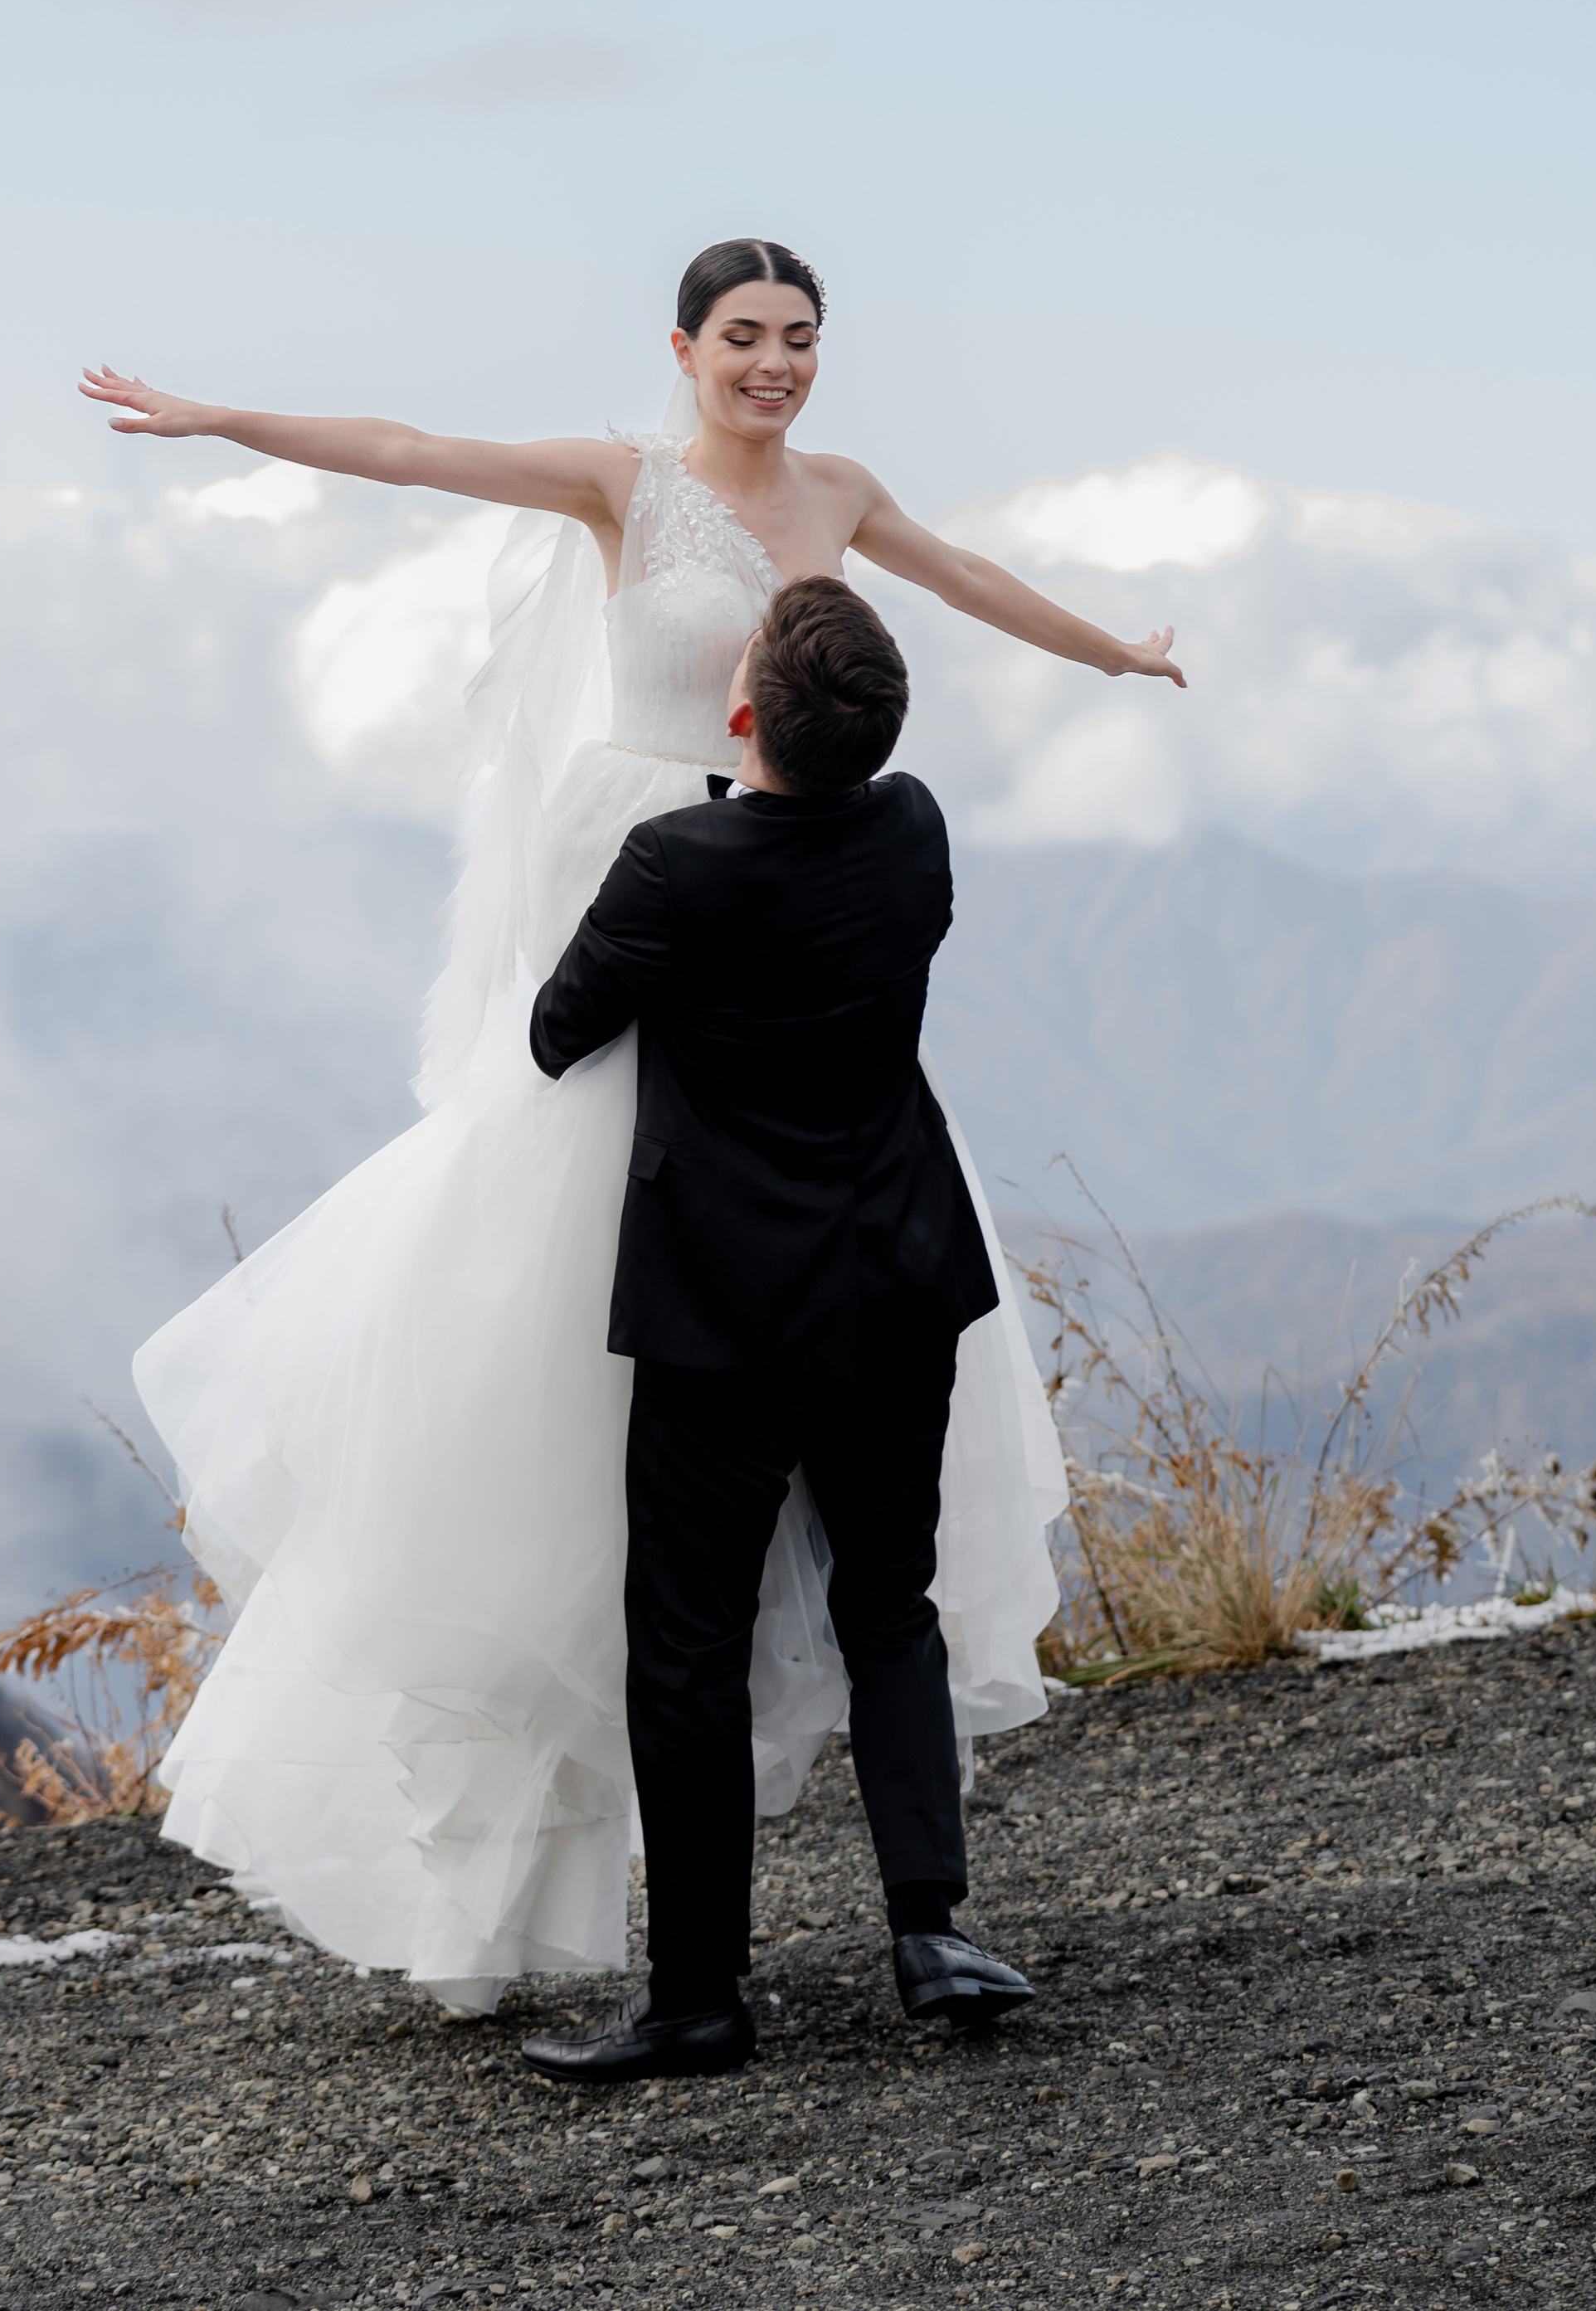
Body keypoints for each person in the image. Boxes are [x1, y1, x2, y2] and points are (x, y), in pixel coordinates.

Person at [82, 236, 1185, 2015]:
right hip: (645, 910)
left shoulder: (841, 492)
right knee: (545, 1384)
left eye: (799, 338)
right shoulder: (623, 486)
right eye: (742, 337)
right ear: (681, 348)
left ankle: (757, 1961)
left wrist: (1110, 657)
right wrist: (221, 418)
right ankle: (610, 1882)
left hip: (781, 904)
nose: (774, 364)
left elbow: (963, 577)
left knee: (768, 1430)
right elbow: (414, 447)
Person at [522, 577, 1036, 2082]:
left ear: (741, 714)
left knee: (687, 1644)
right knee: (892, 1602)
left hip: (722, 1311)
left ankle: (697, 1998)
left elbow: (561, 1029)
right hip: (895, 1277)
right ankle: (930, 1932)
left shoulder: (671, 865)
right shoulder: (917, 828)